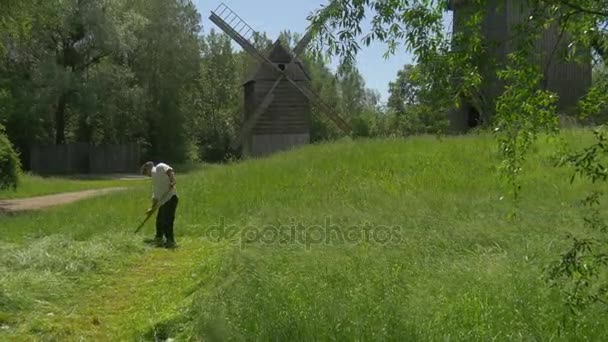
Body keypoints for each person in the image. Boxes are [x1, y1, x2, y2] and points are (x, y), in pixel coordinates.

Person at [140, 161, 179, 248]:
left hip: (171, 198)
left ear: (148, 168)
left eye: (145, 172)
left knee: (167, 221)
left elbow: (170, 171)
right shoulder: (154, 181)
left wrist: (172, 181)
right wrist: (152, 209)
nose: (146, 175)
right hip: (163, 201)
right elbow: (156, 197)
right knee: (159, 221)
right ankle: (159, 238)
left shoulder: (160, 167)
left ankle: (170, 241)